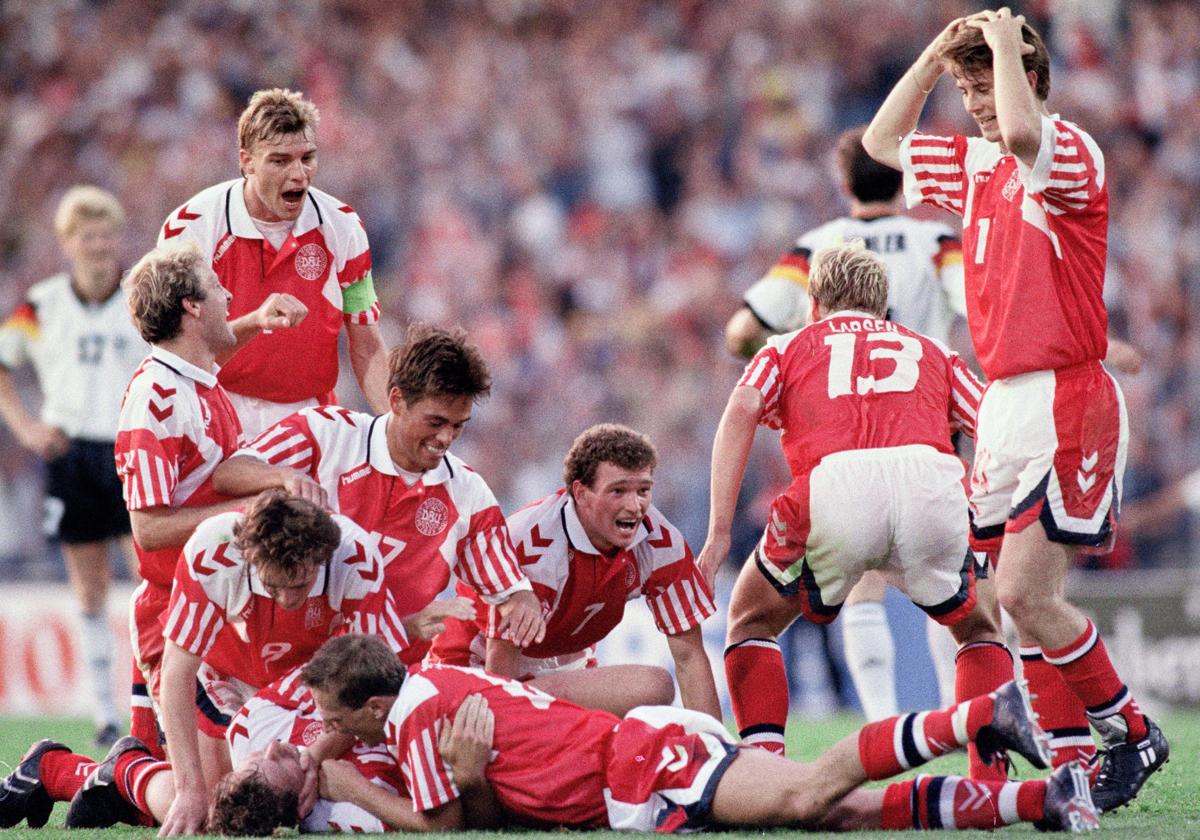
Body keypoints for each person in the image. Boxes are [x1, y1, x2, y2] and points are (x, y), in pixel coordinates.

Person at [861, 7, 1167, 811]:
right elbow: (881, 146)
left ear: (1030, 79)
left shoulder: (1067, 150)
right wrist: (931, 63)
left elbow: (1028, 137)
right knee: (1002, 607)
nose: (978, 102)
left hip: (1067, 393)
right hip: (1002, 401)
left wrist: (1003, 41)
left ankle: (1133, 733)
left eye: (987, 84)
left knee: (1028, 594)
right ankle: (1070, 768)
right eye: (967, 89)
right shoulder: (975, 166)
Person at [697, 241, 1005, 767]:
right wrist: (991, 516)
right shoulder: (934, 351)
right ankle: (989, 775)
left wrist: (719, 531)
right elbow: (994, 425)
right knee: (979, 630)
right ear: (882, 307)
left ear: (813, 305)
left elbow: (742, 407)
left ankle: (764, 769)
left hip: (832, 489)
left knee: (749, 622)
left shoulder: (788, 346)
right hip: (929, 481)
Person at [298, 634, 1097, 834]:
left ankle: (983, 714)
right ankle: (1044, 800)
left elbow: (441, 828)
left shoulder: (413, 718)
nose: (335, 738)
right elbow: (482, 807)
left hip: (645, 764)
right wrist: (474, 784)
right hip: (644, 757)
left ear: (372, 708)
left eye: (338, 721)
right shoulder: (439, 678)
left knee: (807, 787)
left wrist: (352, 787)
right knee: (836, 814)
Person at [724, 126, 977, 734]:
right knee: (954, 589)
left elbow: (739, 331)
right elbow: (977, 306)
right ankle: (955, 718)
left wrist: (791, 355)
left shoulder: (817, 245)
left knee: (862, 577)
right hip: (929, 416)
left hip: (838, 429)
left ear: (843, 183)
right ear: (905, 178)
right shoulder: (936, 237)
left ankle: (883, 729)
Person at [211, 322, 545, 662]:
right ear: (397, 400)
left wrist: (524, 604)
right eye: (435, 422)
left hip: (379, 681)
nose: (446, 438)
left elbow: (510, 589)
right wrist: (282, 477)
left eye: (458, 426)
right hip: (271, 662)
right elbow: (227, 474)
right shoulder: (324, 433)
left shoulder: (468, 494)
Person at [154, 490, 464, 836]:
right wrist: (188, 789)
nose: (288, 600)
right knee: (207, 806)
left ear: (323, 558)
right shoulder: (213, 548)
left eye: (300, 584)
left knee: (279, 791)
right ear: (251, 559)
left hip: (315, 680)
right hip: (224, 671)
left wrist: (315, 757)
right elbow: (176, 673)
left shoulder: (355, 557)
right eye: (274, 586)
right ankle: (125, 772)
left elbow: (372, 680)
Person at [430, 423, 720, 718]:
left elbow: (690, 655)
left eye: (643, 490)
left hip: (561, 668)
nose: (635, 506)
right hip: (475, 670)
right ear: (580, 493)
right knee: (651, 686)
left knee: (653, 692)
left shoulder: (662, 545)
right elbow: (500, 666)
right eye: (618, 491)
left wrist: (721, 750)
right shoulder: (533, 547)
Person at [0, 186, 147, 747]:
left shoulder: (140, 292)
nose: (99, 246)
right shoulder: (40, 304)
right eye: (87, 237)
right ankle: (105, 710)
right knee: (88, 587)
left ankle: (148, 698)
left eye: (107, 235)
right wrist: (28, 428)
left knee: (147, 581)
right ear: (67, 244)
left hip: (132, 451)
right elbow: (4, 367)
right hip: (71, 455)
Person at [157, 87, 388, 438]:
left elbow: (367, 344)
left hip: (310, 416)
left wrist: (395, 426)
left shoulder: (344, 228)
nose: (298, 175)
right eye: (280, 161)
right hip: (217, 409)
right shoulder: (191, 227)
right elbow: (175, 349)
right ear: (247, 161)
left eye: (307, 158)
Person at [116, 241, 267, 756]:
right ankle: (59, 771)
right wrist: (246, 514)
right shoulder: (156, 400)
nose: (228, 295)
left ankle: (131, 756)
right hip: (175, 612)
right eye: (218, 286)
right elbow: (149, 529)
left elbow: (218, 476)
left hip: (222, 608)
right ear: (192, 306)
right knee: (216, 797)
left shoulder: (202, 384)